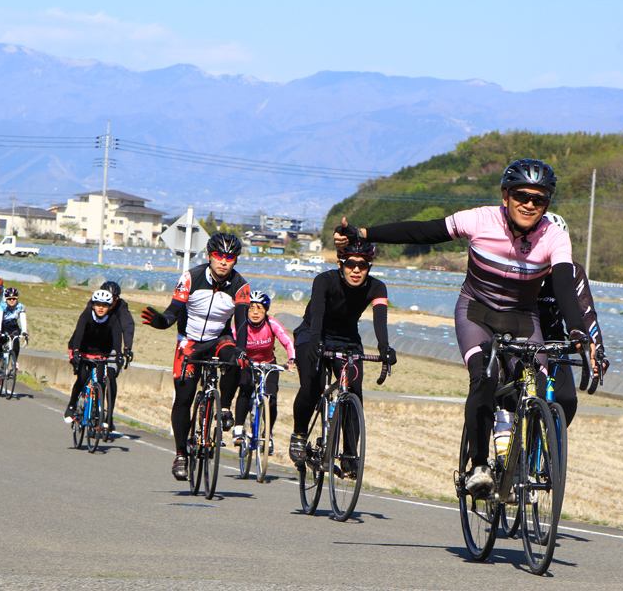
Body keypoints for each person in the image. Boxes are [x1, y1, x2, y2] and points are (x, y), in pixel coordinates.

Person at [334, 158, 594, 497]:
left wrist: (577, 330)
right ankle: (480, 465)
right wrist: (364, 233)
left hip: (522, 317)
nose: (529, 204)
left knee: (536, 386)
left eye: (539, 199)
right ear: (506, 195)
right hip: (476, 312)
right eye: (522, 196)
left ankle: (520, 468)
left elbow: (563, 284)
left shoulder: (554, 236)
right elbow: (423, 230)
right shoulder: (479, 219)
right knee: (484, 376)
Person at [141, 232, 251, 481]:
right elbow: (173, 312)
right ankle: (181, 454)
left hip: (219, 340)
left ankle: (223, 407)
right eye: (218, 256)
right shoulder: (191, 277)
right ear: (210, 256)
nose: (223, 261)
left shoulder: (241, 286)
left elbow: (242, 323)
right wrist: (162, 322)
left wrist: (242, 350)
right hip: (189, 342)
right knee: (184, 398)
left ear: (235, 260)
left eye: (229, 257)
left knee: (236, 358)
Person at [288, 241, 397, 466]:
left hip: (347, 339)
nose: (356, 270)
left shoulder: (377, 288)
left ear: (369, 266)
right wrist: (317, 341)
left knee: (354, 390)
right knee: (313, 385)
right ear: (341, 264)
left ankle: (349, 454)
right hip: (312, 332)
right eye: (350, 264)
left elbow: (380, 320)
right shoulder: (324, 281)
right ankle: (299, 434)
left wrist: (384, 348)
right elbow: (317, 312)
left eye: (363, 265)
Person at [536, 213, 608, 426]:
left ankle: (546, 454)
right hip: (521, 335)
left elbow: (586, 313)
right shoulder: (524, 267)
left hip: (554, 339)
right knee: (525, 394)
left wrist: (598, 350)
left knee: (566, 400)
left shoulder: (574, 271)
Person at [231, 291, 296, 455]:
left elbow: (287, 341)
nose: (254, 312)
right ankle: (238, 428)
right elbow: (230, 344)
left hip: (268, 365)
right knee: (244, 391)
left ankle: (268, 434)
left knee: (271, 400)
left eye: (259, 308)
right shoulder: (241, 325)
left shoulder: (272, 323)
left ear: (265, 311)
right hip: (248, 364)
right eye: (251, 308)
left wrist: (292, 360)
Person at [64, 289, 122, 428]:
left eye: (105, 305)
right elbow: (78, 334)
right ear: (92, 305)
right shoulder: (86, 315)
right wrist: (76, 351)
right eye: (97, 304)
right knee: (83, 376)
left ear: (110, 306)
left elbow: (117, 338)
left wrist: (119, 354)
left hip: (100, 353)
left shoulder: (113, 319)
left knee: (101, 381)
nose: (101, 308)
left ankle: (97, 413)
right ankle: (71, 406)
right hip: (82, 350)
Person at [81, 281, 135, 431]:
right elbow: (83, 326)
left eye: (114, 300)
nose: (109, 303)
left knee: (110, 376)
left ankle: (108, 416)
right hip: (94, 345)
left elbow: (128, 326)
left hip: (112, 346)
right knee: (89, 375)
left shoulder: (121, 306)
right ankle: (88, 406)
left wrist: (127, 348)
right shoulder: (94, 304)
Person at [0, 288, 29, 388]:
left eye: (14, 298)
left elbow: (23, 320)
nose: (12, 300)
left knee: (16, 340)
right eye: (9, 298)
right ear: (6, 299)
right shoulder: (2, 306)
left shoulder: (20, 307)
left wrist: (24, 332)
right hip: (2, 326)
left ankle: (14, 360)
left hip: (13, 327)